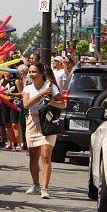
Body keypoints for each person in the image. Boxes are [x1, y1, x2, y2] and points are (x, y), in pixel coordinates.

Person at [22, 63, 65, 199]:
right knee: (33, 157)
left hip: (47, 122)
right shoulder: (28, 88)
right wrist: (41, 94)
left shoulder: (51, 87)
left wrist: (50, 102)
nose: (31, 74)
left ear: (41, 73)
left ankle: (44, 188)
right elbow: (26, 104)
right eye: (30, 72)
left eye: (34, 72)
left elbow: (62, 104)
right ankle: (35, 184)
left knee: (46, 156)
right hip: (32, 122)